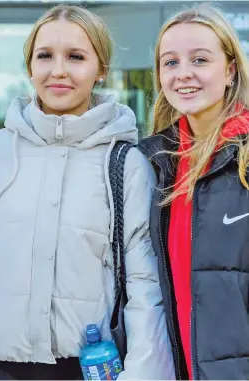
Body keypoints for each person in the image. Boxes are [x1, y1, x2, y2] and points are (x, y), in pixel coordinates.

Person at [0, 4, 175, 380]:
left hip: (88, 368)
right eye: (45, 55)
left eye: (76, 57)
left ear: (101, 70)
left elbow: (145, 285)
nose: (58, 69)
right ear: (29, 66)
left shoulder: (126, 163)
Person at [140, 4, 249, 380]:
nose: (183, 74)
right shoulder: (154, 161)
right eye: (170, 63)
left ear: (230, 69)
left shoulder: (245, 156)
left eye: (199, 59)